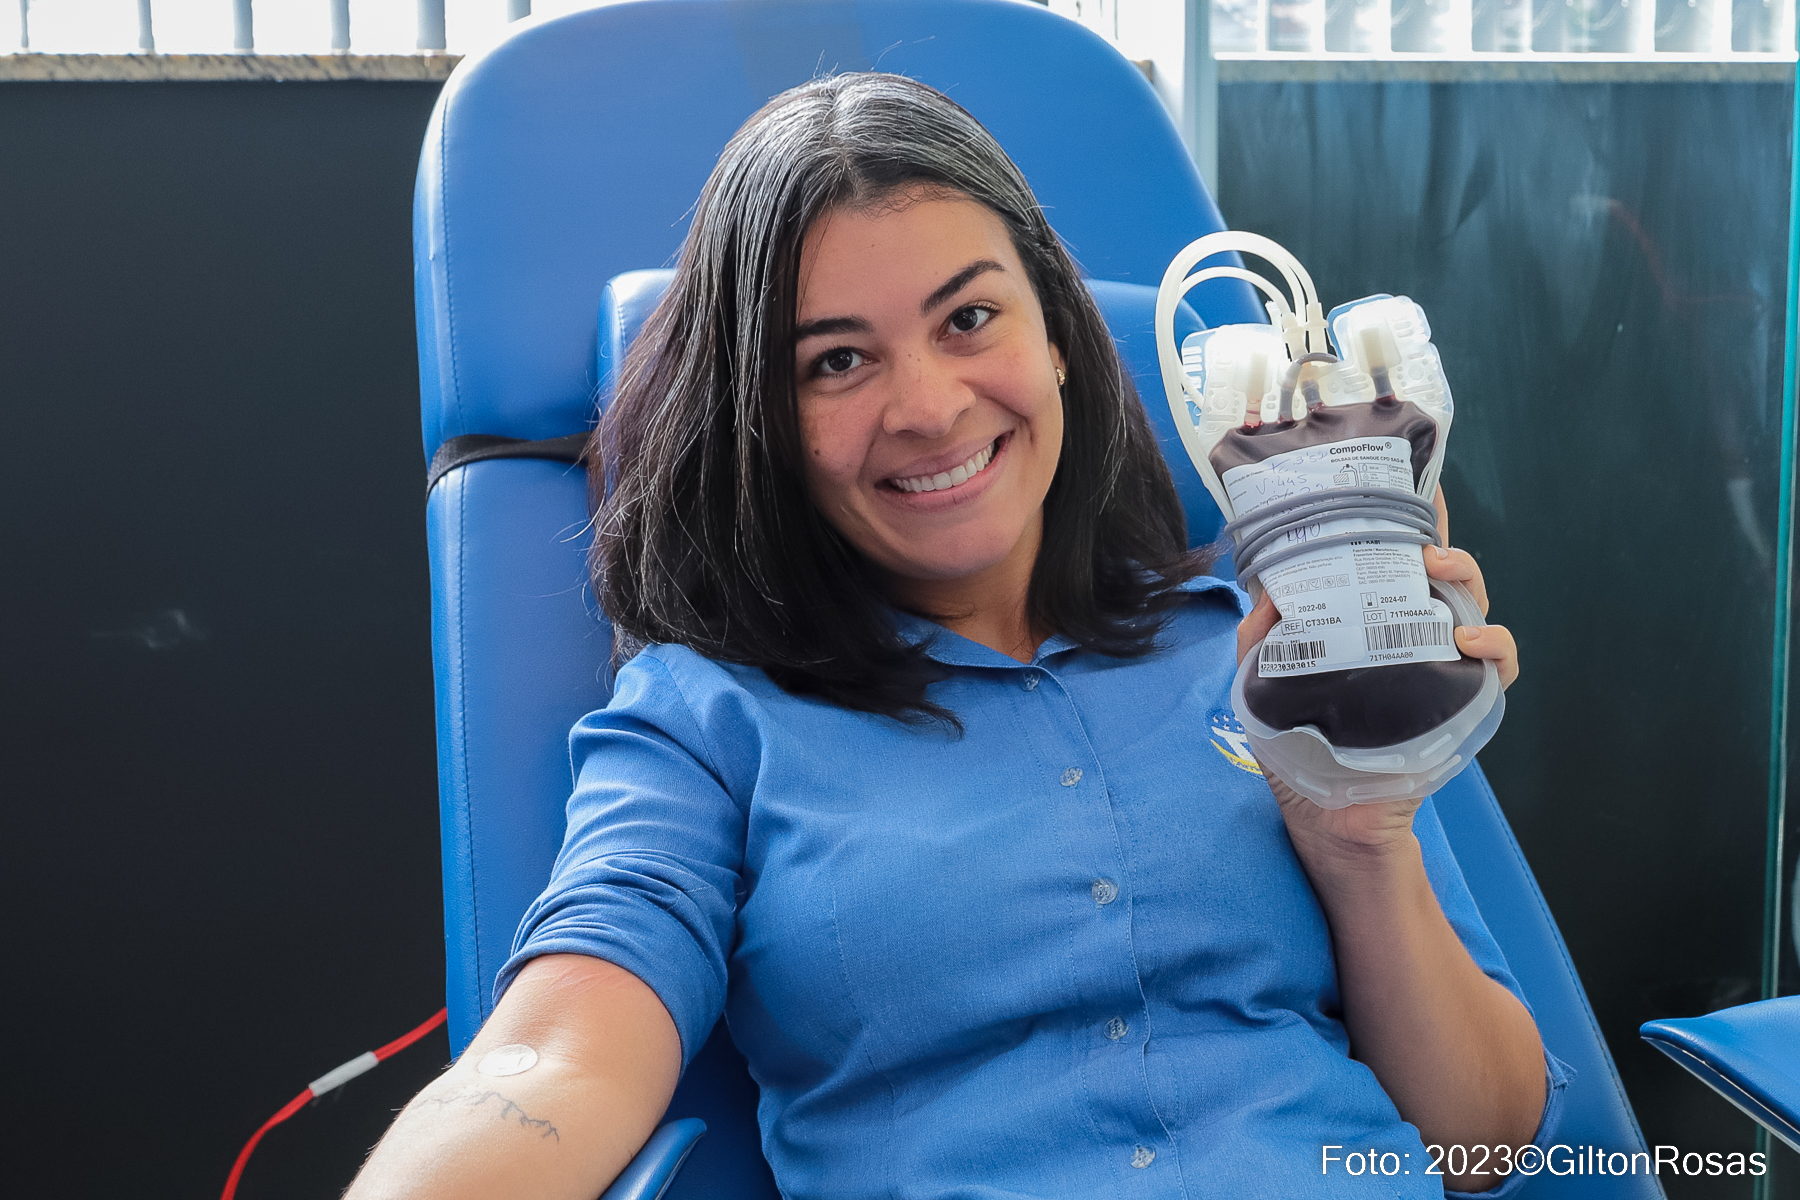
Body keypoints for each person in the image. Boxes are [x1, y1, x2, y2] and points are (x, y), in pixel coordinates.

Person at [346, 73, 1557, 1200]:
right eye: (836, 361)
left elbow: (1485, 1143)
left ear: (1057, 337)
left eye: (970, 318)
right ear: (766, 419)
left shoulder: (1261, 651)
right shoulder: (710, 723)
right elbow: (554, 1061)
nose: (927, 407)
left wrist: (1359, 839)